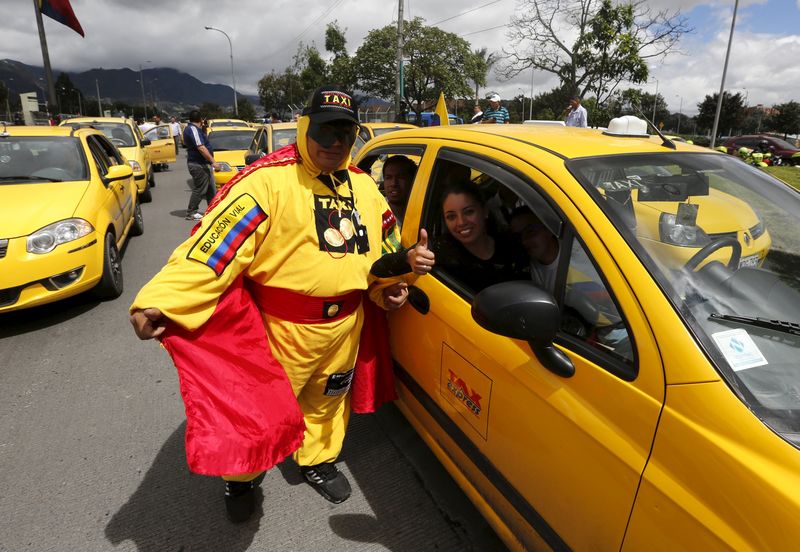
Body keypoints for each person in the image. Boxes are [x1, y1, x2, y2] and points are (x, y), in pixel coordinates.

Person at [129, 86, 427, 524]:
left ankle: (317, 460)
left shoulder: (366, 188)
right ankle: (242, 477)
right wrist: (160, 302)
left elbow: (382, 252)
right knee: (255, 412)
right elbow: (213, 251)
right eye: (324, 132)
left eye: (343, 133)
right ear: (306, 128)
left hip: (346, 326)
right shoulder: (266, 182)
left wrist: (389, 288)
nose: (333, 144)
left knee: (328, 402)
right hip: (279, 332)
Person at [433, 181, 523, 292]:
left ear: (485, 210)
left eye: (469, 212)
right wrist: (411, 257)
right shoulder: (443, 256)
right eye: (451, 216)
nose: (461, 222)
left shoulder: (512, 246)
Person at [509, 206, 560, 291]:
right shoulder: (526, 272)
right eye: (518, 236)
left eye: (530, 231)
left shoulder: (580, 252)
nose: (524, 241)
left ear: (548, 228)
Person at [182, 110, 220, 221]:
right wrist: (213, 161)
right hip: (198, 164)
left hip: (203, 164)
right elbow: (201, 147)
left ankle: (213, 210)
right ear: (200, 120)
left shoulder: (196, 129)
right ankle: (191, 212)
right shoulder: (193, 130)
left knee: (210, 188)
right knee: (200, 189)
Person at [382, 155, 417, 226]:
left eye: (400, 177)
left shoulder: (424, 211)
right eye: (388, 178)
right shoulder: (377, 213)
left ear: (412, 180)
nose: (394, 183)